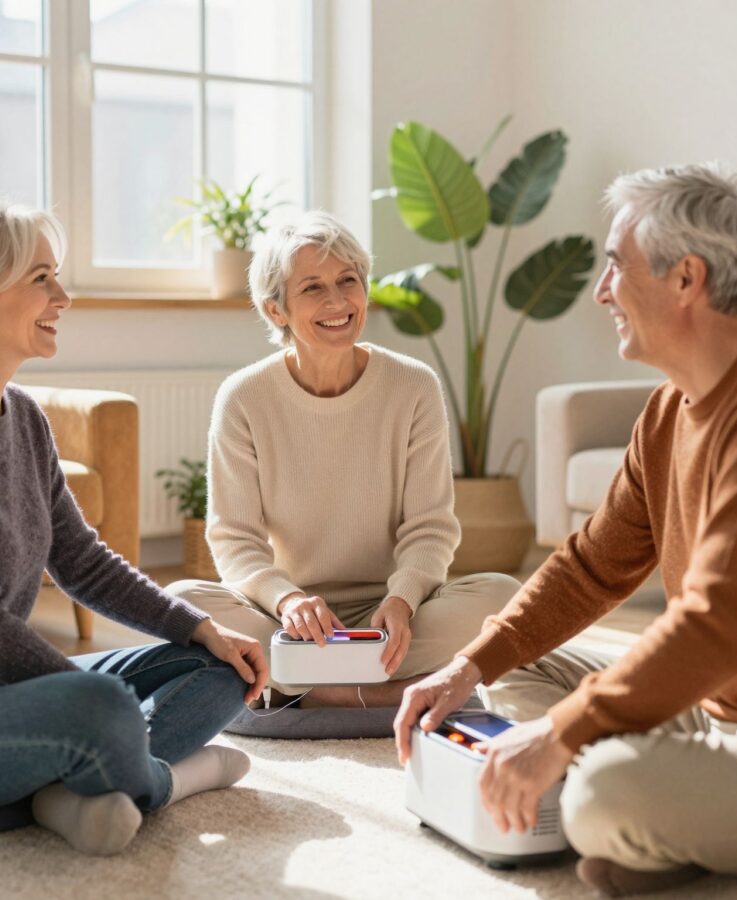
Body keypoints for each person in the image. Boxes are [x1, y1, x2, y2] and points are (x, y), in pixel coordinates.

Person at [394, 163, 737, 896]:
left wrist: (562, 737)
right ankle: (667, 819)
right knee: (510, 665)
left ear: (686, 279)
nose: (600, 292)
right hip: (717, 716)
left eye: (614, 267)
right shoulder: (670, 409)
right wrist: (467, 666)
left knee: (600, 797)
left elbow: (721, 625)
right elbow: (590, 566)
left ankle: (632, 811)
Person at [0, 191, 269, 856]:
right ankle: (170, 780)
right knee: (101, 708)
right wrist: (85, 693)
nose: (62, 296)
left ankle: (74, 781)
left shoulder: (25, 419)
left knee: (220, 668)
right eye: (41, 280)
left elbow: (82, 561)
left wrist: (200, 628)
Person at [167, 211, 519, 709]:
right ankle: (373, 692)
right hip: (289, 620)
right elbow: (234, 540)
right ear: (276, 310)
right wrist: (288, 600)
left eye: (348, 281)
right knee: (182, 601)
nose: (337, 302)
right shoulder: (244, 397)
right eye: (312, 288)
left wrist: (402, 599)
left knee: (503, 596)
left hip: (397, 615)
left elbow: (430, 527)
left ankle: (304, 689)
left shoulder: (414, 386)